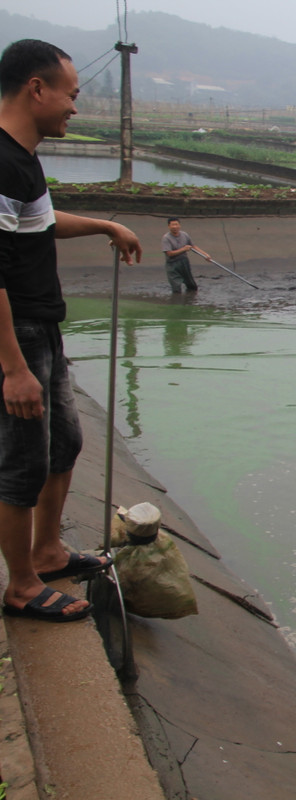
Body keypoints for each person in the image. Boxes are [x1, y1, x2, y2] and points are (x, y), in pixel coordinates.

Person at [0, 39, 142, 621]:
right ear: (37, 88)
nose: (74, 108)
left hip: (43, 327)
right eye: (71, 95)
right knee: (22, 463)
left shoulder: (21, 158)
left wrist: (104, 224)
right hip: (19, 335)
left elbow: (39, 220)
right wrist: (11, 367)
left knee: (67, 442)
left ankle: (49, 549)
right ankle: (23, 586)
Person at [161, 217, 209, 293]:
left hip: (184, 262)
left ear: (179, 225)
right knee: (176, 287)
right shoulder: (166, 238)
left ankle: (190, 298)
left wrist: (205, 255)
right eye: (172, 225)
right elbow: (169, 253)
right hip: (172, 264)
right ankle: (176, 301)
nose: (175, 227)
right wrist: (183, 249)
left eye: (176, 224)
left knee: (191, 285)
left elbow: (193, 246)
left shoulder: (184, 235)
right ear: (169, 226)